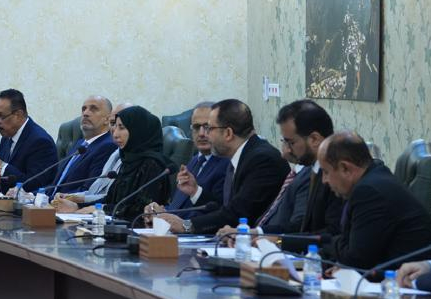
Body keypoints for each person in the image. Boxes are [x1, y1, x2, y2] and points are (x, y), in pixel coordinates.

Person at [154, 99, 287, 236]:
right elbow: (224, 208)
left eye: (209, 128)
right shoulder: (242, 156)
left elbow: (238, 213)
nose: (204, 134)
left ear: (228, 133)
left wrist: (187, 225)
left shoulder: (262, 160)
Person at [217, 101, 339, 250]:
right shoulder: (312, 170)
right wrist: (254, 234)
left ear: (314, 139)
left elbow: (330, 233)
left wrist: (279, 241)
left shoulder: (336, 176)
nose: (286, 151)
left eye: (291, 142)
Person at [316, 132, 431, 270]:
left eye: (326, 172)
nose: (324, 180)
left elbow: (356, 259)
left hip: (411, 278)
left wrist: (330, 242)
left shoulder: (369, 191)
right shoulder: (374, 177)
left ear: (345, 168)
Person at [52, 106, 172, 222]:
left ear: (138, 130)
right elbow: (110, 200)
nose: (115, 134)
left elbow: (140, 211)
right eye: (115, 126)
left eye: (122, 128)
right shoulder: (128, 161)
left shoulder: (153, 165)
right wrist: (77, 206)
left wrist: (100, 209)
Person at [143, 102, 226, 220]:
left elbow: (219, 213)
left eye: (207, 127)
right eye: (196, 127)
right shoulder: (194, 161)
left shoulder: (227, 164)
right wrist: (160, 212)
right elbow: (180, 207)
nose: (201, 133)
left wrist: (172, 219)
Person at [0, 88, 56, 195]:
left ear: (18, 115)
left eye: (1, 116)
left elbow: (33, 186)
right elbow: (3, 181)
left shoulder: (40, 141)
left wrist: (1, 165)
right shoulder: (7, 136)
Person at [50, 96, 118, 194]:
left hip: (69, 202)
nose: (85, 113)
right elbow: (56, 185)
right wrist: (35, 195)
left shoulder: (108, 146)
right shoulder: (80, 143)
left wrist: (53, 199)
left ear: (107, 119)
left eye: (93, 109)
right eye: (84, 109)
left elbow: (89, 190)